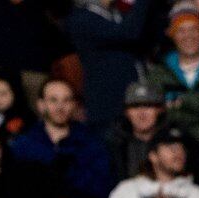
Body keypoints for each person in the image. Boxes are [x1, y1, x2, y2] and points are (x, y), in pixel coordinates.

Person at [9, 79, 113, 198]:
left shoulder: (91, 142)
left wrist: (68, 169)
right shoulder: (24, 144)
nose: (60, 107)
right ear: (41, 105)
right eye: (53, 100)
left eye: (66, 100)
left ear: (74, 105)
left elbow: (102, 188)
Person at [144, 2, 199, 142]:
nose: (188, 36)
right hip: (173, 144)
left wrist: (182, 101)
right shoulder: (159, 73)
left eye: (194, 29)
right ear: (171, 35)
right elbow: (157, 113)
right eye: (181, 30)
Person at [65, 0, 156, 134]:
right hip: (107, 108)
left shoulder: (117, 14)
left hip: (132, 102)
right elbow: (128, 33)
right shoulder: (82, 19)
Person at [106, 81, 168, 186]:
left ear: (160, 109)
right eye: (135, 106)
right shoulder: (113, 145)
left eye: (148, 106)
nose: (141, 113)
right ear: (126, 112)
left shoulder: (174, 141)